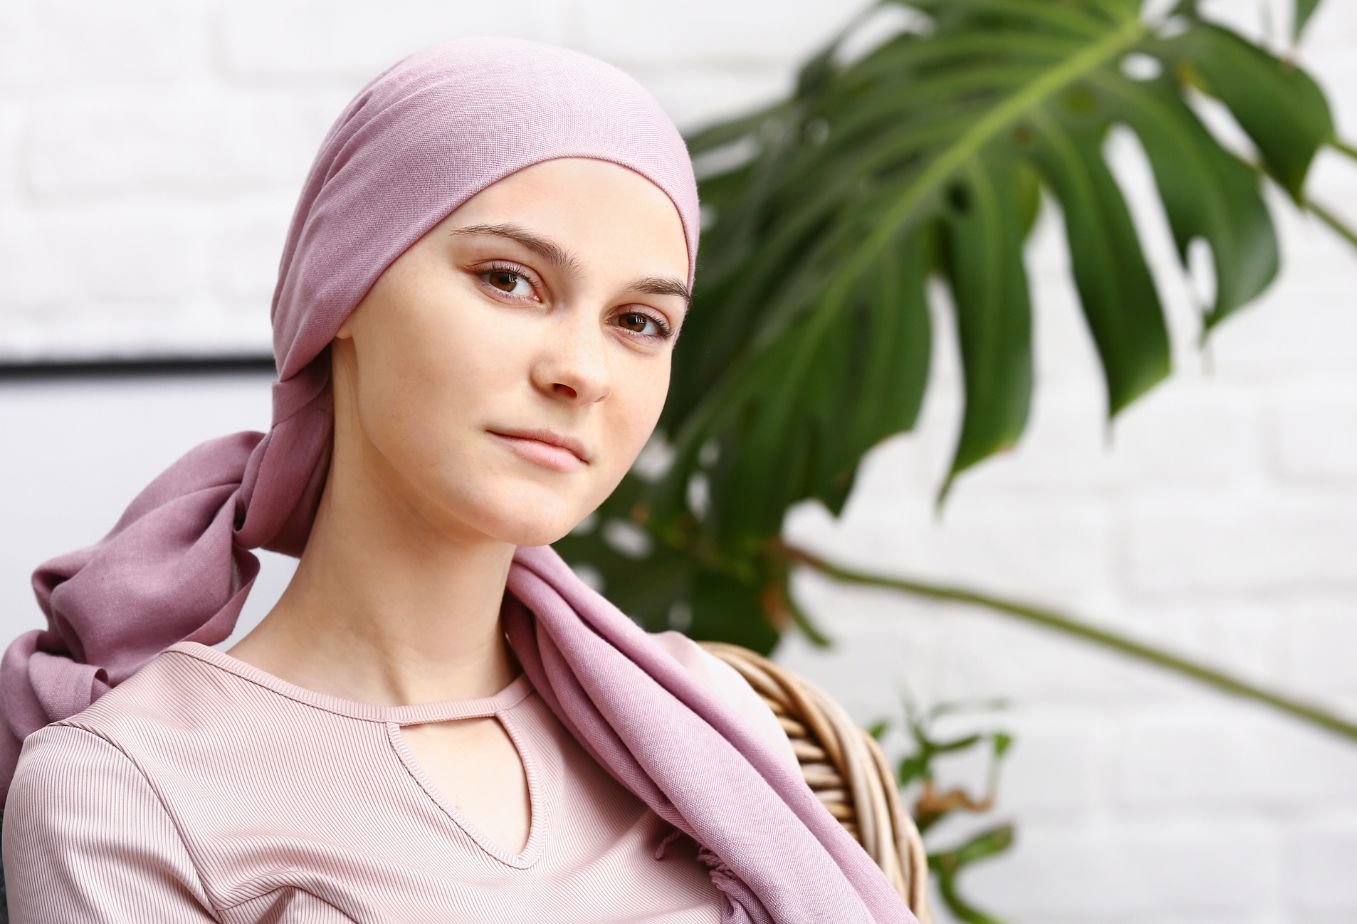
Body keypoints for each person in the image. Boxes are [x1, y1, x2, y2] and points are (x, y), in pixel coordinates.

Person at [0, 36, 919, 924]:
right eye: (510, 280)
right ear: (342, 288)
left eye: (639, 321)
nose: (581, 371)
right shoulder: (128, 792)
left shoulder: (704, 725)